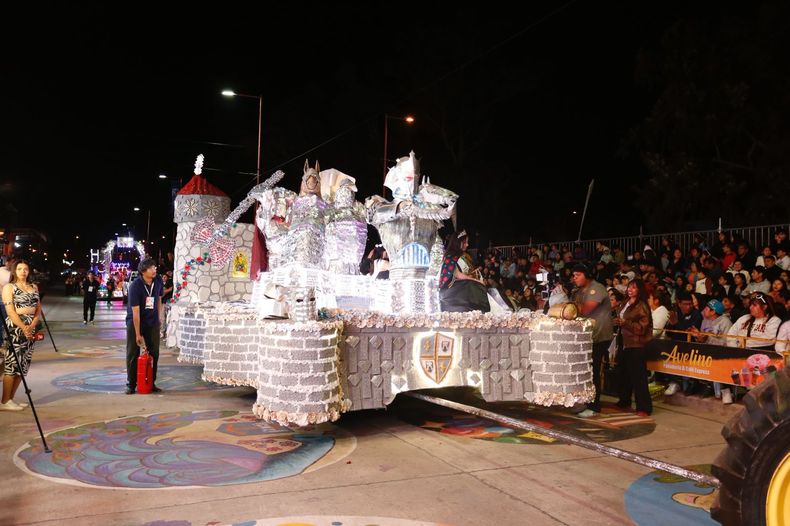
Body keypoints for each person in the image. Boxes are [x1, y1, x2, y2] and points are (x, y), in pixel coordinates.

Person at [570, 264, 613, 418]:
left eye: (578, 274)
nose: (574, 278)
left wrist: (569, 307)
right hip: (586, 337)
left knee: (593, 371)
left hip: (599, 336)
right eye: (574, 275)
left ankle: (594, 405)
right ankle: (585, 401)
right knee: (585, 371)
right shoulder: (579, 291)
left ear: (586, 274)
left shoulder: (597, 288)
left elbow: (585, 309)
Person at [0, 260, 41, 411]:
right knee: (12, 364)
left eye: (25, 269)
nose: (23, 271)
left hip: (30, 328)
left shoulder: (33, 287)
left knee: (23, 365)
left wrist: (32, 325)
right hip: (16, 328)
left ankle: (11, 398)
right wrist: (24, 327)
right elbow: (10, 312)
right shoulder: (9, 287)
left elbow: (37, 309)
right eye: (19, 269)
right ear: (14, 271)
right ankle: (4, 401)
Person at [613, 279, 653, 416]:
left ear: (639, 290)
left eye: (634, 288)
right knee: (624, 374)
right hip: (624, 342)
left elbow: (641, 328)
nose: (630, 289)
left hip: (637, 344)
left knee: (638, 377)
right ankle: (624, 401)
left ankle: (644, 407)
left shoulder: (642, 306)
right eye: (629, 287)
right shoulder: (625, 302)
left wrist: (625, 323)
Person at [125, 258, 165, 394]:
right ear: (143, 271)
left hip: (152, 321)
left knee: (154, 353)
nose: (155, 269)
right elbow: (135, 313)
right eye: (151, 268)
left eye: (155, 267)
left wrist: (159, 318)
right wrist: (137, 334)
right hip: (135, 321)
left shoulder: (158, 280)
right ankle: (131, 384)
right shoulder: (135, 286)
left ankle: (151, 382)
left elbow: (159, 299)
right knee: (133, 352)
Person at [439, 230, 490, 312]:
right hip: (449, 292)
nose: (467, 244)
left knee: (473, 285)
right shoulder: (451, 257)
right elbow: (458, 275)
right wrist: (475, 280)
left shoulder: (460, 256)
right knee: (471, 285)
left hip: (457, 287)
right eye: (465, 242)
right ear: (458, 243)